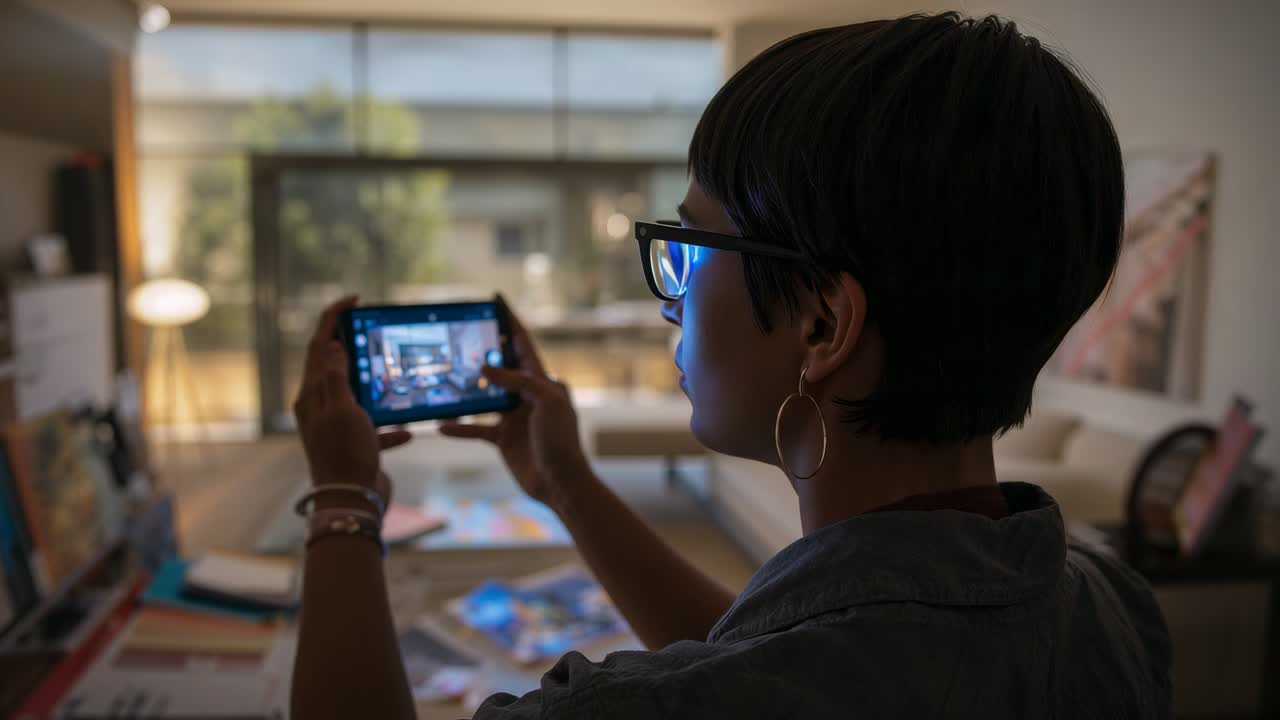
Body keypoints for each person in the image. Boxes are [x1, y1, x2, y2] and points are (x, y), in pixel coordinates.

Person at [290, 12, 1171, 719]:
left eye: (691, 248)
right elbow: (776, 659)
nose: (670, 298)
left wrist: (343, 501)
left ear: (823, 322)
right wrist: (566, 482)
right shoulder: (1111, 611)